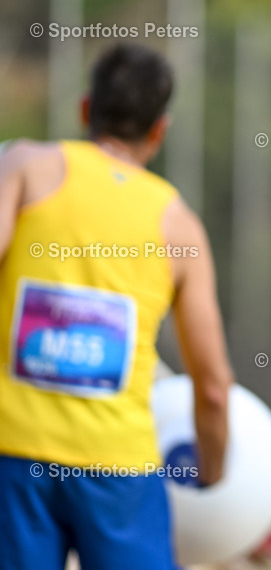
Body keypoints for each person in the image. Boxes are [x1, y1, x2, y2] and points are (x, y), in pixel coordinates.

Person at [0, 43, 234, 569]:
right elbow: (213, 388)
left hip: (12, 453)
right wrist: (213, 472)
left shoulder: (26, 168)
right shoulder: (179, 225)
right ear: (159, 130)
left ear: (86, 108)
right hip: (118, 469)